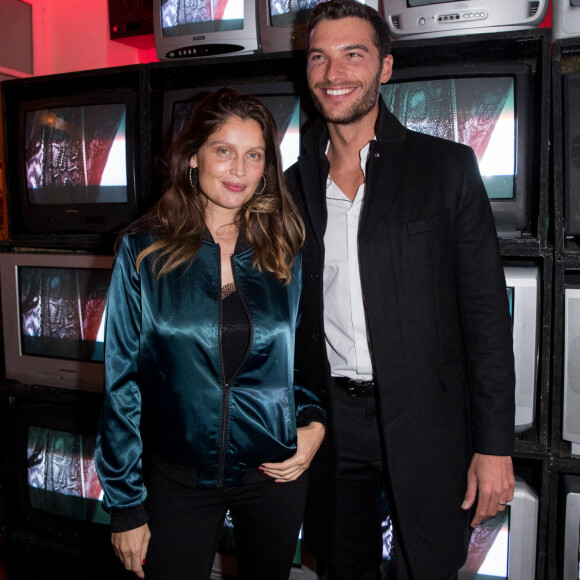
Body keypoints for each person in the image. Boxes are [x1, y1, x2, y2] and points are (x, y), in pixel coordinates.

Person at [285, 2, 516, 579]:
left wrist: (494, 447)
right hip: (329, 422)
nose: (334, 72)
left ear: (385, 67)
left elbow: (486, 317)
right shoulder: (288, 186)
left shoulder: (447, 168)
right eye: (320, 56)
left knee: (428, 567)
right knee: (342, 566)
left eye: (353, 55)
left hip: (429, 421)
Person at [95, 87, 326, 580]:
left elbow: (305, 360)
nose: (239, 170)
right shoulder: (142, 250)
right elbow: (121, 384)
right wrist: (126, 506)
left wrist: (314, 423)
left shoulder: (287, 245)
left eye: (254, 155)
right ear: (193, 156)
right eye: (224, 151)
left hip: (274, 474)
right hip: (178, 477)